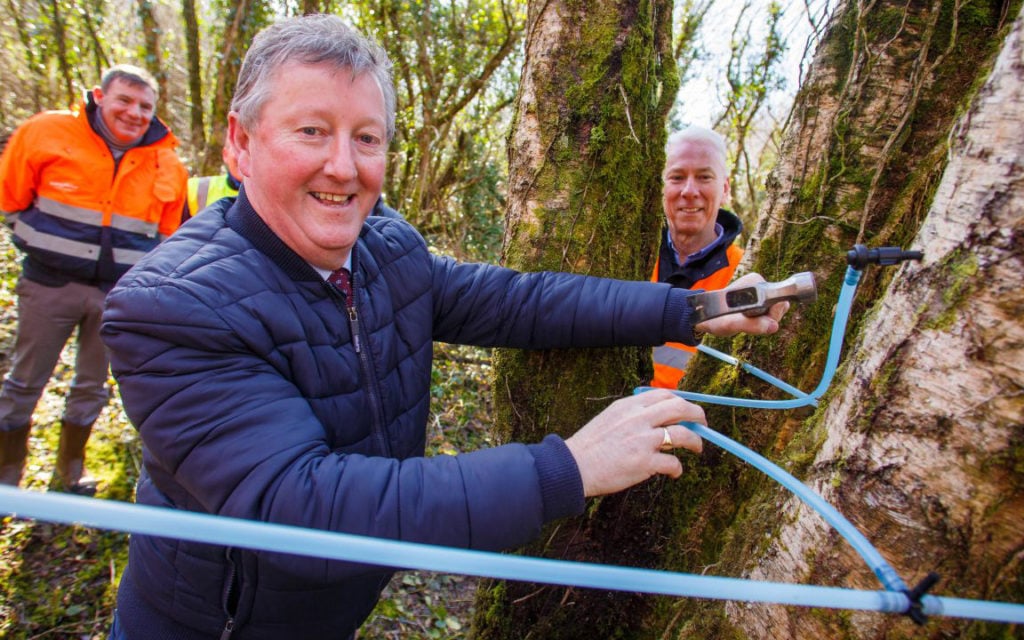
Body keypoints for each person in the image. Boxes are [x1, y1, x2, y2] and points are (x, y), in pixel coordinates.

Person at [100, 15, 787, 640]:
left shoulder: (382, 245)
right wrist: (569, 469)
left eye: (366, 138)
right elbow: (302, 508)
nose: (343, 165)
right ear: (241, 143)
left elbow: (517, 303)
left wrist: (698, 307)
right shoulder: (170, 308)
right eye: (312, 130)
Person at [0, 64, 187, 494]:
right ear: (100, 98)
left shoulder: (167, 163)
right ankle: (6, 480)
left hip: (116, 297)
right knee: (25, 381)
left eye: (145, 106)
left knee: (90, 386)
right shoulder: (46, 132)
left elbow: (168, 238)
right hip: (49, 287)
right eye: (124, 100)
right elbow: (11, 195)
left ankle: (70, 476)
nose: (134, 113)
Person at [649, 126, 745, 389]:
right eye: (677, 177)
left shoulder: (743, 273)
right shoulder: (631, 257)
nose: (689, 191)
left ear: (724, 188)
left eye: (704, 177)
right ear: (662, 187)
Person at [182, 145, 242, 223]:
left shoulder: (262, 197)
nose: (244, 158)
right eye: (238, 150)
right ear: (225, 154)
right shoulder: (194, 188)